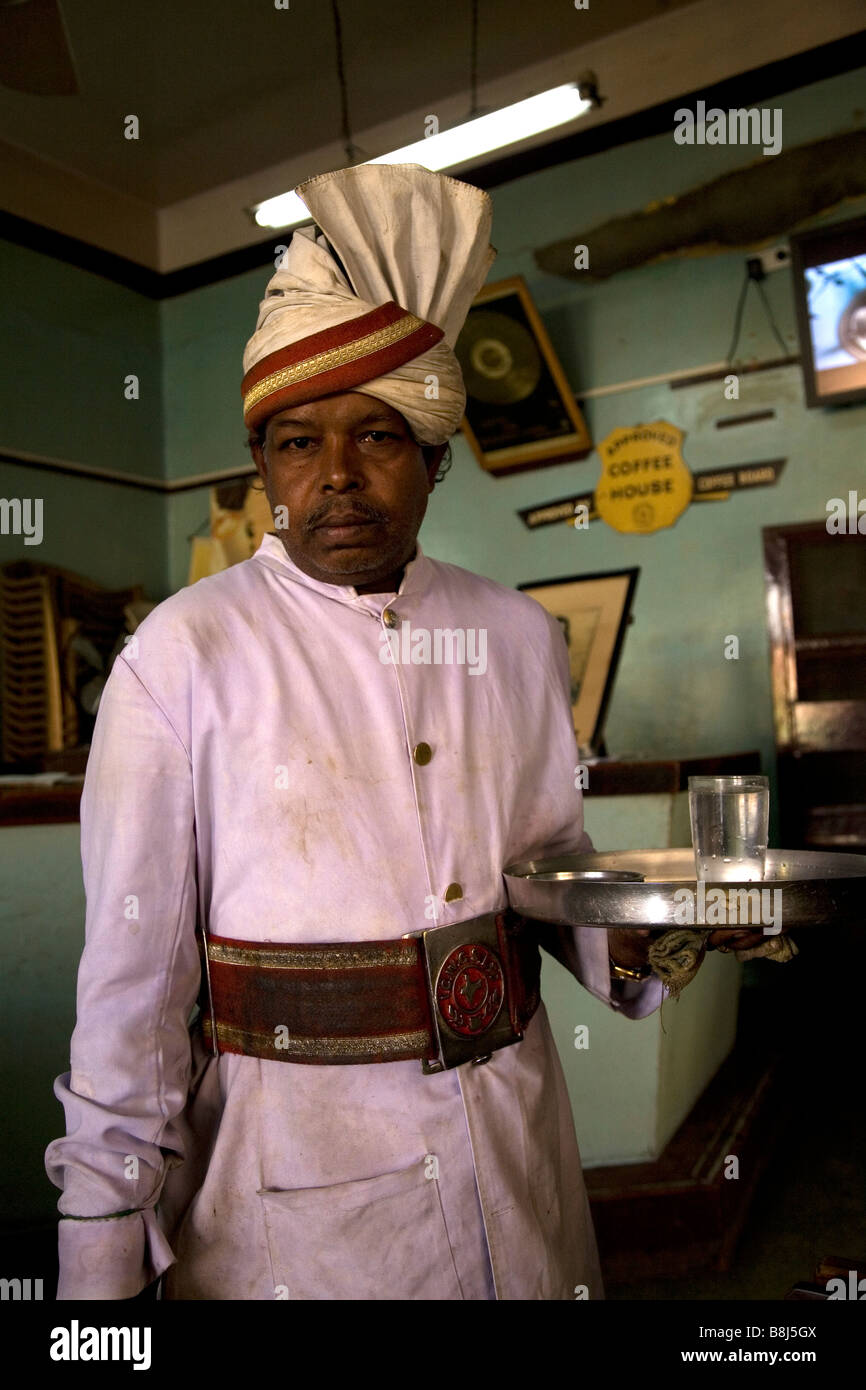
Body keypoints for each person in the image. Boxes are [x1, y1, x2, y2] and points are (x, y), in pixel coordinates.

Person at [45, 163, 762, 1301]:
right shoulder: (180, 656)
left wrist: (638, 936)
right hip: (304, 1208)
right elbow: (130, 996)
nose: (332, 476)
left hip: (514, 1149)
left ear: (432, 457)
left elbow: (545, 869)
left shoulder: (515, 635)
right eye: (294, 442)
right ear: (262, 467)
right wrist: (99, 1266)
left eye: (376, 436)